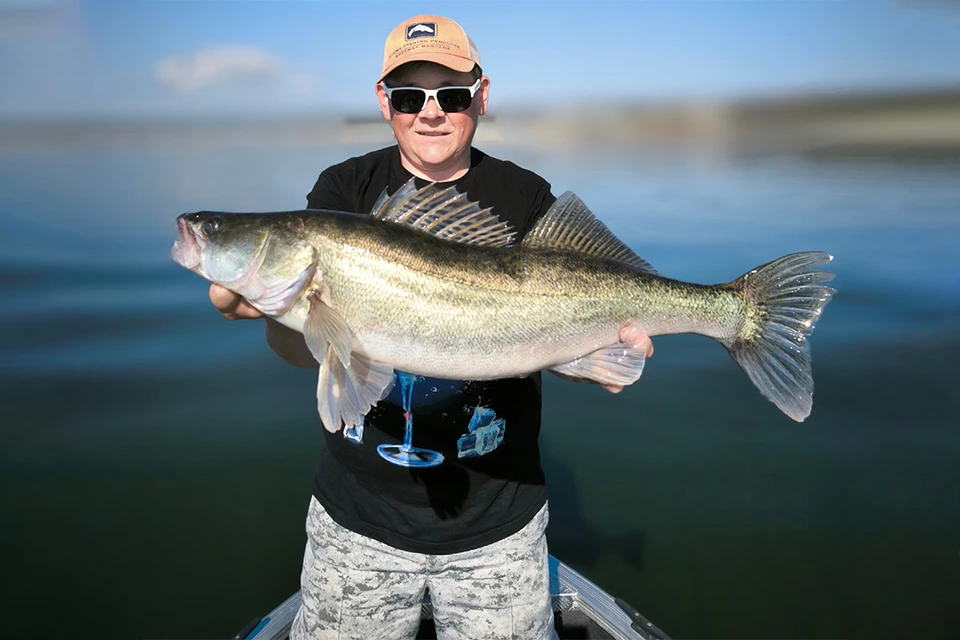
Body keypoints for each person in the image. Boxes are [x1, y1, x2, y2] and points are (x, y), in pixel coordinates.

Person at [209, 14, 653, 640]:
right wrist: (278, 316)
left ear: (481, 95)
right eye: (411, 96)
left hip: (499, 526)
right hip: (357, 519)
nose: (431, 113)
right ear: (385, 102)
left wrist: (593, 356)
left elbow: (550, 332)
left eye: (450, 93)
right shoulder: (344, 190)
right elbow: (301, 350)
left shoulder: (524, 196)